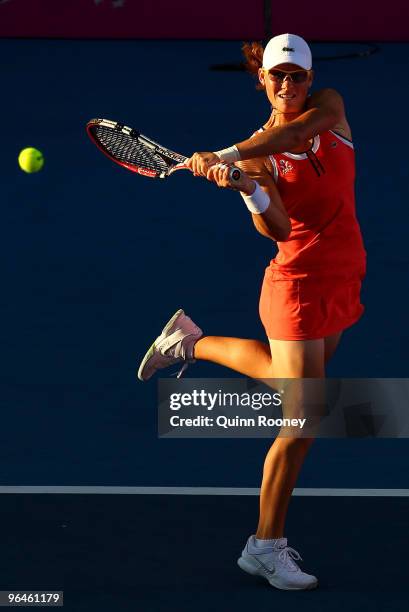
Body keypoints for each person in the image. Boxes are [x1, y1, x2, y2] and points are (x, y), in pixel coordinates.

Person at [137, 33, 366, 591]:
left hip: (343, 274)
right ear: (261, 79)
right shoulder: (261, 154)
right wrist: (244, 185)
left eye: (298, 76)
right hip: (294, 287)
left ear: (312, 80)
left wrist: (227, 156)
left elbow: (293, 132)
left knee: (294, 387)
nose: (289, 85)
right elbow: (280, 228)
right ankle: (264, 546)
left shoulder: (329, 110)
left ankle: (189, 342)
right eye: (278, 76)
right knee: (305, 418)